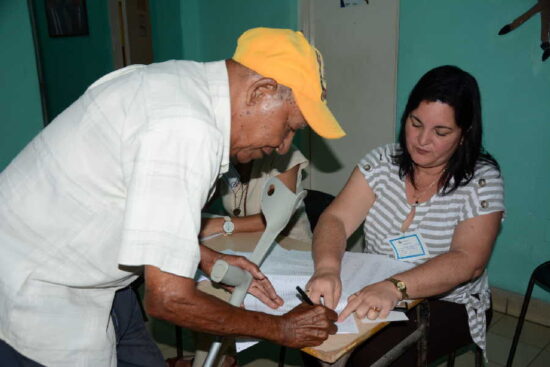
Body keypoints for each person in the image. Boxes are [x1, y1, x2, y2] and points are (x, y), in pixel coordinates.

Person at [0, 27, 344, 366]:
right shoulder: (187, 131)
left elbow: (126, 200)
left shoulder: (174, 81)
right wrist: (282, 329)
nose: (284, 146)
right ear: (261, 91)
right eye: (289, 127)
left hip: (92, 282)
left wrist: (200, 255)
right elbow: (168, 300)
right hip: (38, 296)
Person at [305, 65, 504, 366]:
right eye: (415, 123)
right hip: (376, 283)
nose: (422, 140)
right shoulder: (383, 161)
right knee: (315, 336)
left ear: (465, 134)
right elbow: (336, 219)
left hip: (448, 300)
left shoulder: (482, 181)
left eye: (441, 132)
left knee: (369, 358)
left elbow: (468, 261)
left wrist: (395, 287)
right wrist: (328, 268)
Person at [200, 144, 312, 242]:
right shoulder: (226, 158)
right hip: (244, 242)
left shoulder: (284, 154)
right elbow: (204, 199)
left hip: (291, 246)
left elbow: (276, 219)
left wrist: (222, 225)